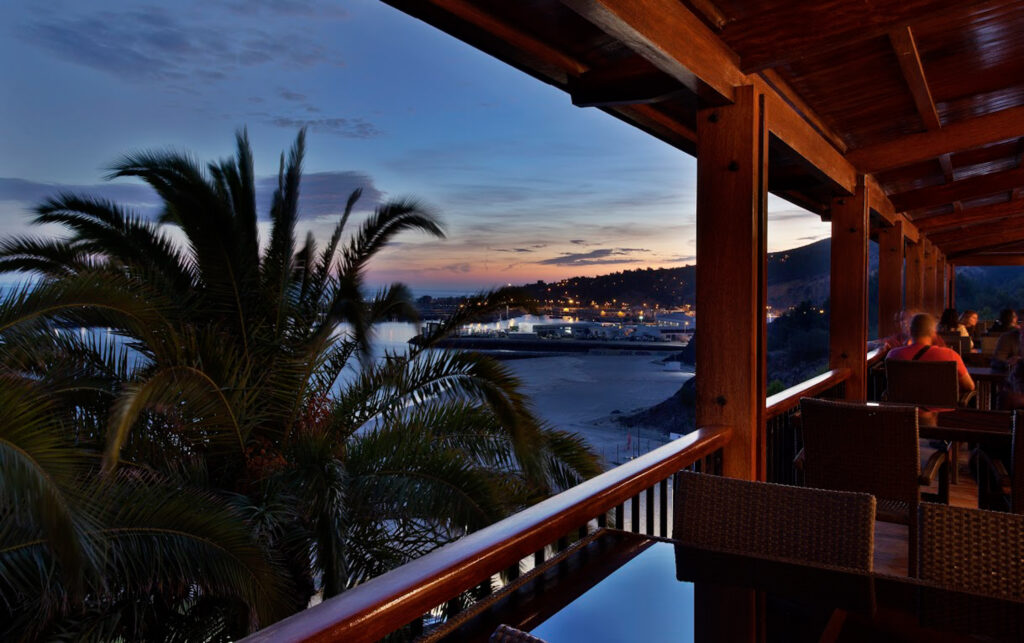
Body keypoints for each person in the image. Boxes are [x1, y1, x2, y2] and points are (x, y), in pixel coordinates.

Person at [887, 313, 974, 425]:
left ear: (910, 332)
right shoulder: (949, 355)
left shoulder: (893, 355)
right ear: (932, 333)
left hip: (904, 414)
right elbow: (969, 386)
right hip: (941, 415)